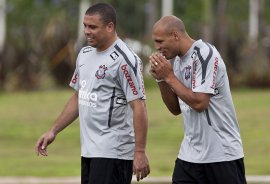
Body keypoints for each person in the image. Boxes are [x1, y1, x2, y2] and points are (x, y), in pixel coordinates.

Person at [35, 3, 150, 184]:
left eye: (93, 27)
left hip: (114, 153)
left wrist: (140, 152)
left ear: (110, 27)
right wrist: (53, 131)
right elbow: (79, 96)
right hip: (89, 151)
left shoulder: (125, 60)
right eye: (85, 26)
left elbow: (139, 106)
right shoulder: (85, 54)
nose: (87, 31)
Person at [149, 15, 247, 184]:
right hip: (189, 156)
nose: (157, 47)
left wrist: (169, 76)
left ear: (175, 35)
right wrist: (161, 79)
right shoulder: (178, 62)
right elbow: (175, 109)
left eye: (160, 41)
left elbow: (200, 103)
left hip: (221, 155)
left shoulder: (205, 54)